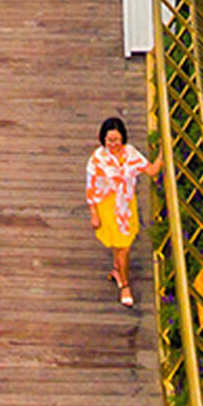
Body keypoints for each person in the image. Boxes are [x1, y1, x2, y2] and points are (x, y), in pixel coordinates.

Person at [86, 116, 161, 308]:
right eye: (109, 140)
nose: (113, 144)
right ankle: (125, 285)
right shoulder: (97, 160)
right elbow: (91, 188)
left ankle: (118, 270)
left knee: (121, 245)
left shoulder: (130, 154)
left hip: (126, 206)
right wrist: (94, 213)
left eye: (116, 140)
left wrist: (164, 153)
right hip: (107, 206)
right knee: (123, 247)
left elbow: (150, 170)